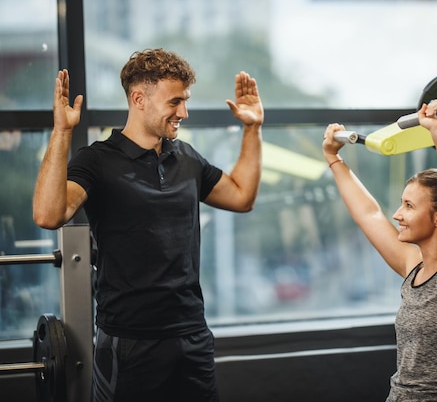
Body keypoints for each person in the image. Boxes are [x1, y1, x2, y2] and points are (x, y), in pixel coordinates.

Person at [32, 48, 264, 402]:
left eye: (185, 101)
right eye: (175, 102)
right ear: (139, 98)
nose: (183, 112)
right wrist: (62, 132)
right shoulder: (97, 160)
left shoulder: (185, 157)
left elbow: (241, 196)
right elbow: (49, 215)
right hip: (128, 341)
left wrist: (252, 128)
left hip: (191, 335)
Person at [322, 99, 437, 402]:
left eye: (409, 206)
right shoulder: (413, 265)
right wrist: (334, 160)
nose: (397, 214)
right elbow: (369, 214)